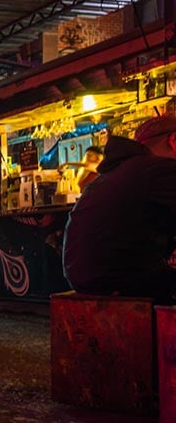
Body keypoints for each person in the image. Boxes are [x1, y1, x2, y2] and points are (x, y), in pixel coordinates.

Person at [63, 115, 176, 302]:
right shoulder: (156, 168)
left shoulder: (117, 172)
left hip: (84, 278)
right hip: (117, 279)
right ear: (173, 140)